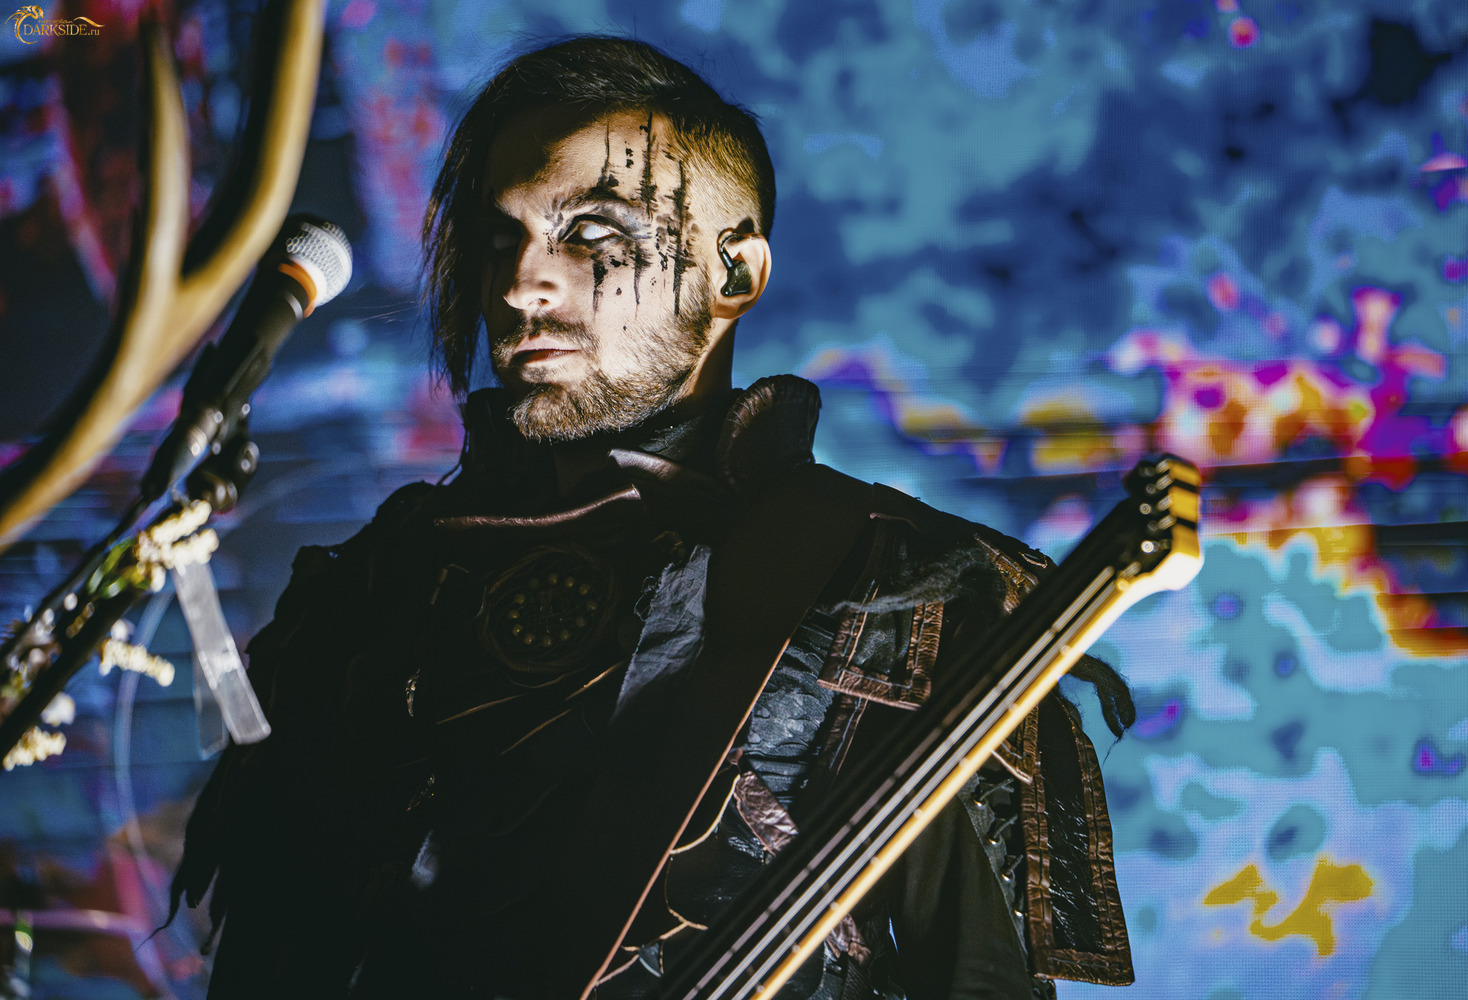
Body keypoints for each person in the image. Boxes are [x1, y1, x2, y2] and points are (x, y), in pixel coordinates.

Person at [172, 36, 1137, 1000]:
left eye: (592, 234)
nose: (519, 285)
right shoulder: (381, 581)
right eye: (502, 239)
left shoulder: (892, 593)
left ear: (734, 271)